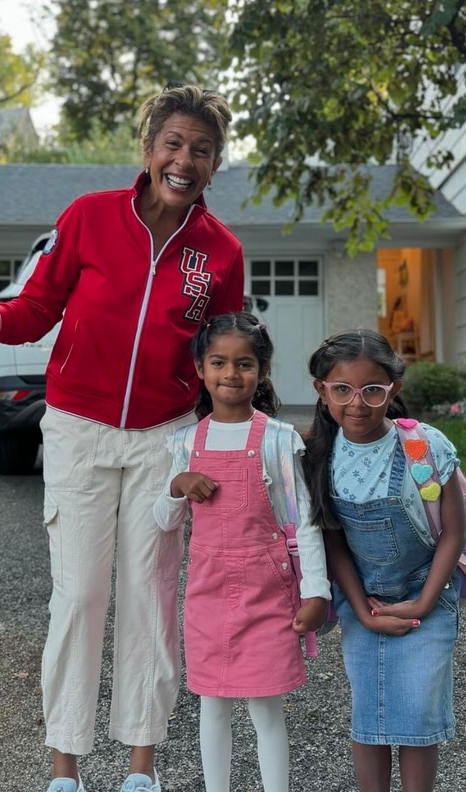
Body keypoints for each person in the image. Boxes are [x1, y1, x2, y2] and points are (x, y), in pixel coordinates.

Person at [0, 84, 245, 792]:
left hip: (163, 437)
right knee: (77, 596)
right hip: (77, 429)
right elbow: (35, 308)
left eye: (200, 150)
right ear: (147, 148)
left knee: (150, 596)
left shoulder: (219, 252)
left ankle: (140, 767)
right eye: (173, 144)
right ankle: (65, 769)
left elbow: (224, 351)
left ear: (214, 163)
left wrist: (229, 435)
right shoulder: (89, 218)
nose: (184, 160)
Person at [153, 312, 330, 792]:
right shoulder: (184, 444)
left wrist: (316, 590)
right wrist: (176, 487)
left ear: (263, 371)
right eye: (219, 362)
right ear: (201, 369)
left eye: (245, 364)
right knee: (212, 704)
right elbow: (164, 522)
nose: (232, 374)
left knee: (266, 706)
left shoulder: (278, 438)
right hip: (208, 591)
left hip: (267, 588)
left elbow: (305, 521)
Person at [302, 329, 466, 792]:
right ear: (322, 390)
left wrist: (422, 604)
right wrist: (360, 610)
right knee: (370, 716)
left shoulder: (423, 446)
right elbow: (333, 543)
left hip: (427, 596)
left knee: (418, 715)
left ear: (392, 389)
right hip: (364, 602)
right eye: (342, 390)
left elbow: (454, 532)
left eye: (372, 389)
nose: (357, 403)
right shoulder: (319, 455)